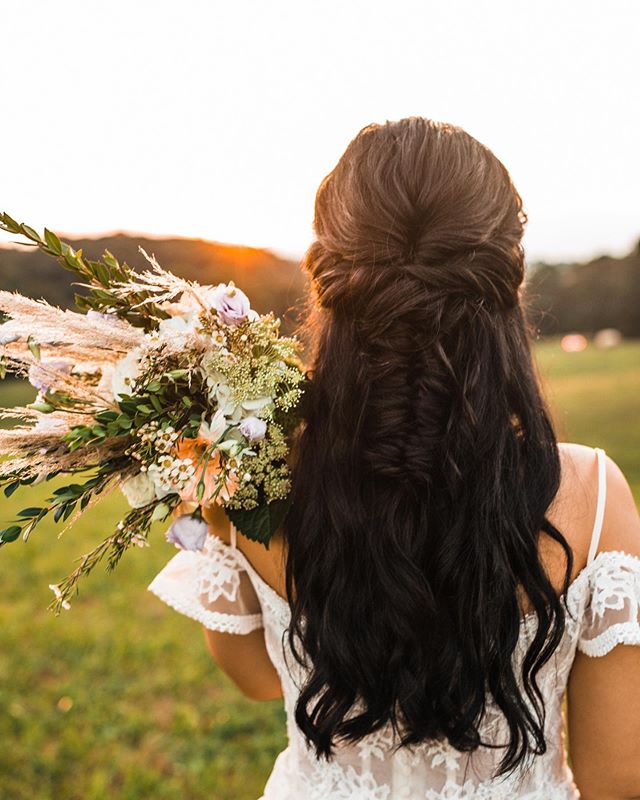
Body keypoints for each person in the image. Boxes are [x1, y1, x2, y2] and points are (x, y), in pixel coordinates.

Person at [147, 116, 640, 799]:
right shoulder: (593, 494)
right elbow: (618, 779)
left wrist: (200, 491)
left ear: (328, 282)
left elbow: (258, 680)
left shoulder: (249, 476)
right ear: (508, 282)